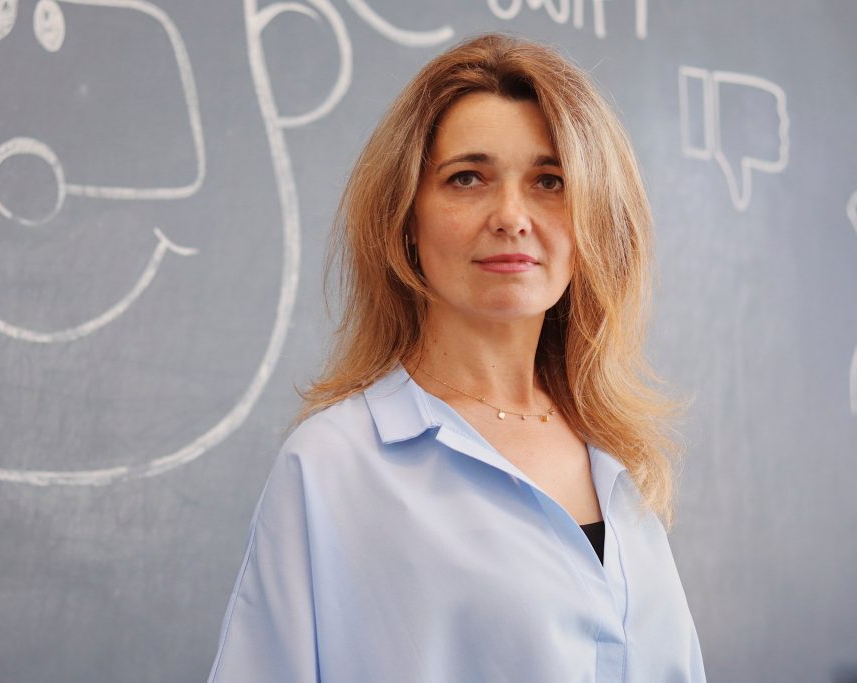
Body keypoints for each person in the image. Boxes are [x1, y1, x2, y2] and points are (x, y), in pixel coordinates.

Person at [207, 33, 705, 682]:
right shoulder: (333, 465)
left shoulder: (616, 458)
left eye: (550, 180)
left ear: (593, 221)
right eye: (467, 177)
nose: (511, 215)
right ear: (406, 219)